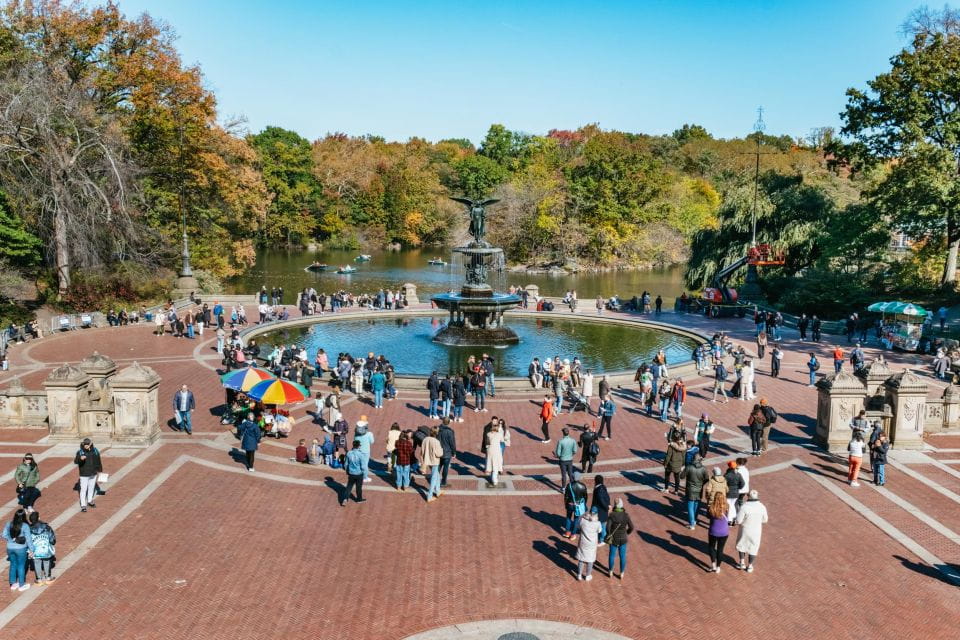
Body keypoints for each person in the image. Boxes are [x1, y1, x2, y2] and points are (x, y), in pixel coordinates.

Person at [736, 490, 768, 572]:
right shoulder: (762, 507)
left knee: (742, 545)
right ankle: (750, 566)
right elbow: (765, 520)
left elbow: (738, 521)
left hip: (745, 529)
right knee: (753, 548)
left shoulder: (744, 507)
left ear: (748, 496)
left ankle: (742, 563)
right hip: (756, 531)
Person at [2, 509, 34, 591]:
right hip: (21, 548)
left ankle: (13, 584)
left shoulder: (9, 524)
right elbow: (28, 539)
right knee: (21, 566)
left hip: (10, 548)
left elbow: (3, 535)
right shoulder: (25, 526)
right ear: (23, 516)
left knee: (13, 564)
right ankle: (21, 585)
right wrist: (32, 549)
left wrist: (11, 539)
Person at [605, 498, 634, 580]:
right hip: (623, 538)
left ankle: (610, 571)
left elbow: (607, 528)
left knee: (612, 555)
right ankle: (621, 573)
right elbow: (632, 527)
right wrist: (627, 532)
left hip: (614, 539)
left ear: (615, 505)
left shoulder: (612, 515)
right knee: (622, 556)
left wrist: (609, 534)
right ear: (622, 505)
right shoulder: (626, 515)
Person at [74, 438, 102, 512]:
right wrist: (80, 459)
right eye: (85, 444)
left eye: (87, 444)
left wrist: (99, 470)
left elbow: (98, 461)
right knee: (83, 489)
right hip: (84, 474)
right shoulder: (80, 452)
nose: (86, 446)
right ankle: (83, 505)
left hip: (93, 473)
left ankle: (90, 501)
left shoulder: (95, 451)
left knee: (91, 488)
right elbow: (75, 461)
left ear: (90, 444)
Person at [28, 512, 56, 585]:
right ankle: (48, 578)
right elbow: (52, 539)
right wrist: (52, 542)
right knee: (47, 562)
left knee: (37, 562)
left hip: (35, 549)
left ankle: (39, 580)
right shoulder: (46, 527)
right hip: (45, 549)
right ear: (38, 518)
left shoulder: (29, 529)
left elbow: (28, 540)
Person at [682, 454, 709, 529]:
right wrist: (701, 484)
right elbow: (707, 479)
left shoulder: (689, 467)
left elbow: (681, 476)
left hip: (690, 489)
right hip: (699, 489)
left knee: (690, 506)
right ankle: (694, 520)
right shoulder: (703, 468)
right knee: (697, 504)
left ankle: (692, 523)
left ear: (693, 458)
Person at [706, 492, 729, 573]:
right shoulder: (726, 507)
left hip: (713, 531)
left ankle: (713, 565)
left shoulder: (711, 507)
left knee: (711, 547)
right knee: (720, 549)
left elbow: (708, 516)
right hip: (724, 532)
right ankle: (718, 567)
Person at [575, 511, 602, 581]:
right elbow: (600, 531)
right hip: (592, 544)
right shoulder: (597, 523)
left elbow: (578, 526)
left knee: (581, 558)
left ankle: (579, 575)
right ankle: (588, 575)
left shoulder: (583, 521)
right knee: (590, 559)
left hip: (583, 542)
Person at [340, 440, 367, 506]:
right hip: (359, 474)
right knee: (358, 487)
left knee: (349, 487)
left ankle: (345, 499)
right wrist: (364, 475)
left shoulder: (349, 453)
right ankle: (359, 499)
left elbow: (346, 464)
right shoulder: (361, 455)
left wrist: (347, 471)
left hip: (351, 473)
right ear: (359, 446)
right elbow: (363, 466)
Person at [563, 471, 588, 540]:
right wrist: (584, 504)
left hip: (570, 504)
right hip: (578, 505)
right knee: (576, 519)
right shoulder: (583, 486)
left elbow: (566, 496)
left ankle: (567, 532)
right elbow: (585, 497)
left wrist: (566, 504)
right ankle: (573, 534)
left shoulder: (569, 485)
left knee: (568, 517)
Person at [354, 417, 375, 482]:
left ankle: (358, 475)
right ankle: (365, 477)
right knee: (365, 465)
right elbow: (372, 442)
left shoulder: (356, 433)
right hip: (366, 451)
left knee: (358, 464)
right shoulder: (369, 434)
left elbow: (355, 440)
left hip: (358, 450)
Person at [438, 418, 457, 487]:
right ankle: (443, 482)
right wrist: (454, 452)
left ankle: (435, 479)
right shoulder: (450, 432)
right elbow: (452, 443)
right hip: (447, 453)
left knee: (438, 467)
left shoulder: (438, 429)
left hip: (439, 451)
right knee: (445, 468)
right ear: (449, 423)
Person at [484, 422, 504, 487]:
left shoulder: (488, 434)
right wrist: (500, 430)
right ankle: (494, 480)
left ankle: (492, 476)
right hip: (497, 450)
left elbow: (487, 443)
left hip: (490, 450)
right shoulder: (499, 434)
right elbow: (502, 440)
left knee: (490, 463)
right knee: (496, 465)